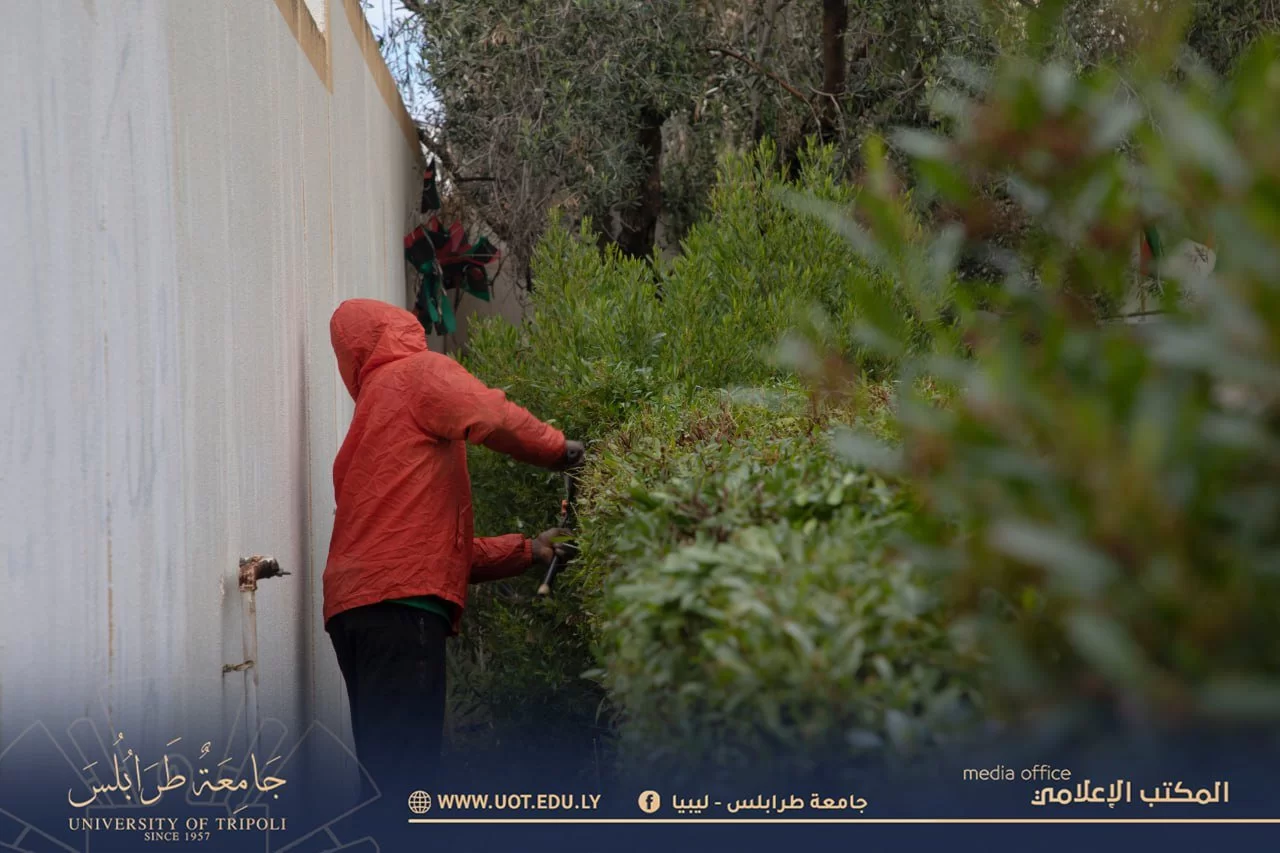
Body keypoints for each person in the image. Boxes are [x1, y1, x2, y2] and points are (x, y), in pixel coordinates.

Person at [321, 298, 582, 835]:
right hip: (400, 611)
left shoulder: (370, 422)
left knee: (384, 779)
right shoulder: (417, 374)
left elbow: (425, 550)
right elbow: (491, 415)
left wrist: (529, 550)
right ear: (399, 330)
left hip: (356, 613)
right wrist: (561, 450)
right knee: (407, 786)